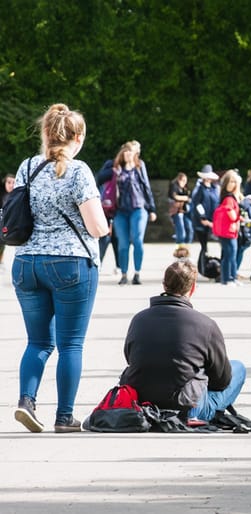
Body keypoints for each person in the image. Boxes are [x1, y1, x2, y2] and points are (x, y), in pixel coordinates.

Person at [12, 103, 109, 433]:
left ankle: (26, 401)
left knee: (37, 342)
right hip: (70, 265)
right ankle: (64, 417)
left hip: (26, 263)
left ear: (45, 133)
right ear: (78, 136)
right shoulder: (79, 170)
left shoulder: (27, 167)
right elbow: (96, 227)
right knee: (71, 344)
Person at [118, 259, 246, 422]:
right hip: (186, 406)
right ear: (192, 288)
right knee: (238, 368)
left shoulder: (139, 319)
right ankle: (203, 412)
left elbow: (130, 358)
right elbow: (222, 380)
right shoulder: (205, 324)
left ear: (164, 285)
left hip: (142, 401)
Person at [98, 140, 157, 285]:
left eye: (130, 151)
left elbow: (146, 187)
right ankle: (124, 274)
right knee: (123, 244)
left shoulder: (139, 166)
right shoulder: (115, 167)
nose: (127, 154)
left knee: (137, 240)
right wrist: (113, 169)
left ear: (135, 154)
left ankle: (137, 273)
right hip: (120, 211)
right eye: (125, 151)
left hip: (138, 208)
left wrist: (152, 209)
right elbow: (99, 178)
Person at [215, 169, 243, 286]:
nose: (233, 184)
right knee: (230, 255)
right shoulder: (229, 199)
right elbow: (232, 216)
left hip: (227, 232)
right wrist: (239, 218)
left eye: (235, 182)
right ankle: (228, 278)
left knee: (229, 255)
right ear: (226, 183)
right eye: (231, 181)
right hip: (228, 232)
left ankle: (230, 277)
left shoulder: (229, 197)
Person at [190, 165, 220, 273]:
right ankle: (203, 269)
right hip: (201, 222)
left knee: (213, 246)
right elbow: (197, 204)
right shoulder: (199, 189)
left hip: (213, 221)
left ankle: (211, 268)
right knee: (204, 246)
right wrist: (203, 218)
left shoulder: (214, 188)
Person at [168, 172, 193, 246]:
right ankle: (180, 250)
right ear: (179, 180)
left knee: (189, 229)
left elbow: (189, 197)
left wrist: (186, 198)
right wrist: (185, 198)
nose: (185, 183)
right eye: (183, 180)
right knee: (181, 232)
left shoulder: (184, 188)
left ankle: (187, 248)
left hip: (185, 210)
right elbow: (174, 197)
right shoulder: (174, 186)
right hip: (177, 211)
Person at [0, 173, 15, 265]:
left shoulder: (19, 196)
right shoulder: (2, 196)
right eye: (9, 182)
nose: (11, 185)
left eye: (13, 183)